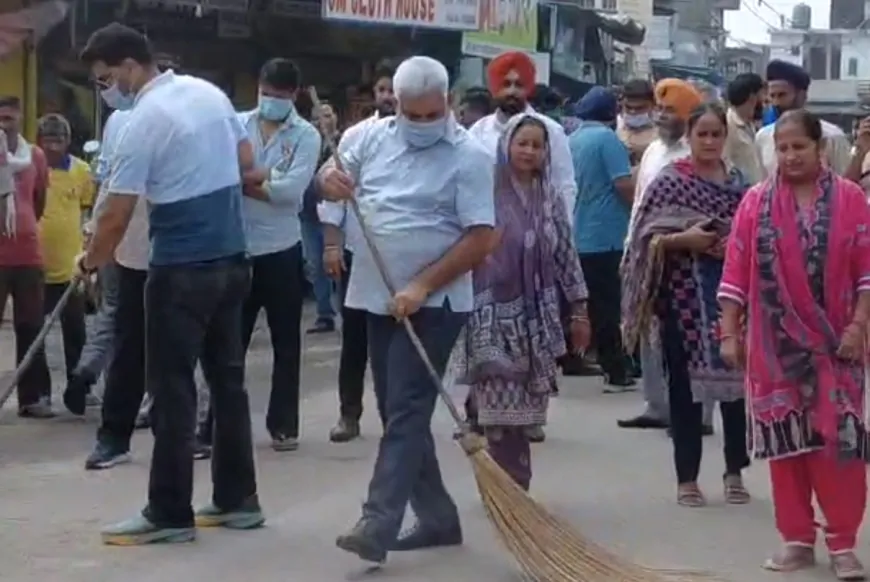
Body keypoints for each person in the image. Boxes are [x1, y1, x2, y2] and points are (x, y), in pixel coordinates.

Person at [78, 23, 262, 544]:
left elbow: (115, 215)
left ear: (130, 66)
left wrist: (91, 261)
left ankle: (169, 511)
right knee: (228, 383)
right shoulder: (210, 93)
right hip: (232, 261)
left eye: (106, 78)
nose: (107, 88)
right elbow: (248, 164)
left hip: (181, 269)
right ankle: (237, 499)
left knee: (172, 388)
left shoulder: (142, 119)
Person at [317, 56, 496, 564]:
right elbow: (327, 186)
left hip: (435, 302)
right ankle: (438, 517)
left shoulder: (471, 156)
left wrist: (422, 284)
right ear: (394, 103)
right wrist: (327, 184)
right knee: (394, 408)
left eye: (429, 116)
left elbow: (481, 237)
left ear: (448, 105)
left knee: (408, 408)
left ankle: (378, 520)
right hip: (375, 295)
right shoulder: (365, 139)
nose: (420, 125)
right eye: (410, 115)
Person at [719, 109, 869, 579]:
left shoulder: (851, 200)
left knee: (840, 445)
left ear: (819, 149)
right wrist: (729, 332)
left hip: (837, 349)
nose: (789, 156)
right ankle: (797, 539)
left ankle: (843, 544)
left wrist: (858, 327)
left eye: (798, 147)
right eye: (782, 148)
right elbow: (736, 273)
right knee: (786, 447)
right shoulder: (755, 204)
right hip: (773, 348)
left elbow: (867, 274)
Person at [624, 103, 750, 507]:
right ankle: (687, 478)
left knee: (735, 388)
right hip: (680, 298)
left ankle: (735, 471)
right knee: (685, 390)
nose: (710, 142)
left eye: (717, 134)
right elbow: (646, 237)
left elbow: (755, 235)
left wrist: (733, 245)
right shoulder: (669, 181)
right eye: (703, 134)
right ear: (690, 137)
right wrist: (685, 240)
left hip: (731, 298)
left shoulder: (740, 185)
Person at [457, 114, 590, 490]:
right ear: (506, 146)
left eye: (537, 145)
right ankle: (509, 487)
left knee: (524, 411)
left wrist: (580, 307)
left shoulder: (549, 196)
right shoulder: (486, 193)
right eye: (522, 143)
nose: (529, 151)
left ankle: (512, 487)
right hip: (490, 315)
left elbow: (565, 251)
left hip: (537, 319)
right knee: (499, 410)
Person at [200, 59, 319, 453]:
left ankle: (283, 425)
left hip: (282, 250)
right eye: (266, 94)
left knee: (287, 343)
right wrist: (266, 178)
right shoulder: (236, 123)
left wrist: (247, 179)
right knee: (228, 343)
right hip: (238, 247)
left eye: (279, 97)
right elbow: (218, 173)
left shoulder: (306, 136)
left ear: (293, 96)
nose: (270, 101)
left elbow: (291, 194)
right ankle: (215, 424)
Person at [319, 59, 397, 443]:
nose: (389, 97)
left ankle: (395, 417)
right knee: (355, 340)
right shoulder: (356, 137)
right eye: (383, 89)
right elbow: (334, 193)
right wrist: (332, 244)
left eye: (395, 89)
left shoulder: (429, 139)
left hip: (407, 263)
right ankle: (349, 414)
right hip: (358, 252)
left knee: (398, 345)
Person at [617, 79, 700, 431]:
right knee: (647, 330)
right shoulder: (653, 150)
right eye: (660, 110)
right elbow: (639, 203)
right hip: (643, 251)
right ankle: (655, 405)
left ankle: (697, 411)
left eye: (670, 111)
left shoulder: (694, 154)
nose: (662, 116)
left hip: (682, 255)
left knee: (687, 333)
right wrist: (630, 247)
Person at [569, 87, 635, 390]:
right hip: (606, 234)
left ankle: (573, 357)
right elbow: (622, 183)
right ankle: (616, 368)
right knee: (607, 305)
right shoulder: (608, 141)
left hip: (577, 232)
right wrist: (639, 209)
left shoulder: (571, 140)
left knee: (581, 302)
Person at [469, 52, 576, 222]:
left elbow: (564, 185)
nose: (512, 91)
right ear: (495, 88)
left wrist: (562, 231)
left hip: (538, 229)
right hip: (491, 230)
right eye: (505, 84)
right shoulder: (479, 132)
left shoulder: (551, 131)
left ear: (528, 87)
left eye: (518, 85)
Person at [0, 96, 53, 418]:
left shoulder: (35, 156)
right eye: (0, 118)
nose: (4, 124)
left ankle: (32, 398)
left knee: (31, 326)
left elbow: (39, 201)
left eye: (9, 118)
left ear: (20, 119)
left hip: (27, 254)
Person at [35, 114, 93, 409]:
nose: (53, 146)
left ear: (68, 141)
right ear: (39, 142)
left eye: (59, 140)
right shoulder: (33, 170)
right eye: (48, 140)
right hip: (37, 267)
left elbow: (86, 213)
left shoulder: (82, 171)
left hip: (71, 269)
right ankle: (40, 394)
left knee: (76, 333)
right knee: (35, 334)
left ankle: (81, 387)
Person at [757, 60, 851, 178]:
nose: (776, 103)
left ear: (802, 96)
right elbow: (762, 185)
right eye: (772, 96)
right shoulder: (763, 138)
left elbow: (847, 183)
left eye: (782, 95)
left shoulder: (832, 137)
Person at [724, 73, 765, 185]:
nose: (765, 101)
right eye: (762, 96)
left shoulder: (749, 124)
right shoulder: (727, 126)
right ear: (753, 98)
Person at [616, 79, 657, 167]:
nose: (633, 112)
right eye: (628, 107)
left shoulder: (663, 133)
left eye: (640, 108)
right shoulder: (615, 126)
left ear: (653, 106)